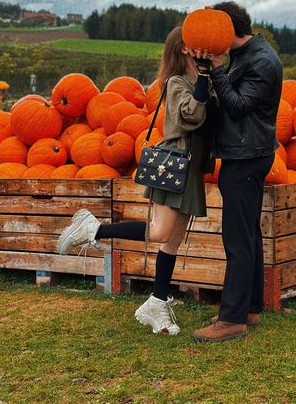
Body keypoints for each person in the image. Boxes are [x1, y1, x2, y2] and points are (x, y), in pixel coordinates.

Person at [57, 26, 217, 336]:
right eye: (196, 46)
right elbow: (191, 117)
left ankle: (157, 302)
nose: (203, 51)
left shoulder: (200, 80)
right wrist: (207, 80)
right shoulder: (176, 83)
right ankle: (92, 229)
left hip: (192, 167)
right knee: (159, 232)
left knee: (172, 241)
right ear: (185, 50)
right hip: (174, 164)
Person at [192, 1, 283, 342]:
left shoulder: (261, 60)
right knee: (248, 235)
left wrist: (216, 69)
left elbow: (239, 106)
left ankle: (232, 320)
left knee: (237, 238)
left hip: (247, 156)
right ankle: (250, 307)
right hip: (244, 152)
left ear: (229, 30)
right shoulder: (248, 55)